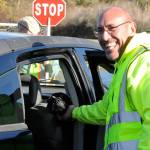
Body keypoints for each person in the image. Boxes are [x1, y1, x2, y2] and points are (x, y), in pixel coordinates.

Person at [53, 6, 150, 149]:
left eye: (112, 28)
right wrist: (73, 113)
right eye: (100, 30)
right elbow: (105, 110)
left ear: (132, 29)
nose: (104, 37)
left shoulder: (142, 64)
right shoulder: (125, 64)